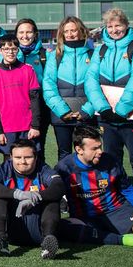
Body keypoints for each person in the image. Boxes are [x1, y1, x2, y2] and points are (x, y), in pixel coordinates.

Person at [85, 8, 133, 198]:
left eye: (118, 25)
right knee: (111, 161)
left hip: (132, 117)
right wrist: (104, 109)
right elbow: (90, 80)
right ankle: (116, 200)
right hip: (107, 118)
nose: (114, 29)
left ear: (126, 25)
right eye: (110, 26)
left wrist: (122, 110)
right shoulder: (101, 49)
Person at [0, 139, 66, 259]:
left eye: (28, 157)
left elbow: (59, 186)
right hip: (12, 231)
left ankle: (48, 246)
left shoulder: (43, 169)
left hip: (40, 228)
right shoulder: (4, 169)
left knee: (52, 200)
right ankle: (1, 241)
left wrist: (37, 197)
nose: (22, 162)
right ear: (11, 157)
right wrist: (18, 194)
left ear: (36, 157)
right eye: (18, 157)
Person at [42, 16, 96, 162]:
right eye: (67, 31)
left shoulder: (94, 55)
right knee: (64, 154)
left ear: (82, 31)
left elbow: (98, 87)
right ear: (62, 34)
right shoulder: (55, 56)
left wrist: (88, 110)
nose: (70, 34)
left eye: (74, 30)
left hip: (86, 115)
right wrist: (62, 110)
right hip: (62, 116)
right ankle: (65, 184)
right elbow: (48, 85)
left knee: (87, 153)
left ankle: (86, 184)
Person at [0, 36, 44, 157]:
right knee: (9, 162)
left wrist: (35, 126)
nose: (10, 52)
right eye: (6, 49)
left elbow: (35, 99)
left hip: (27, 127)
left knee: (30, 160)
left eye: (13, 48)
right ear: (0, 51)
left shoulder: (28, 70)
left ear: (18, 50)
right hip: (7, 127)